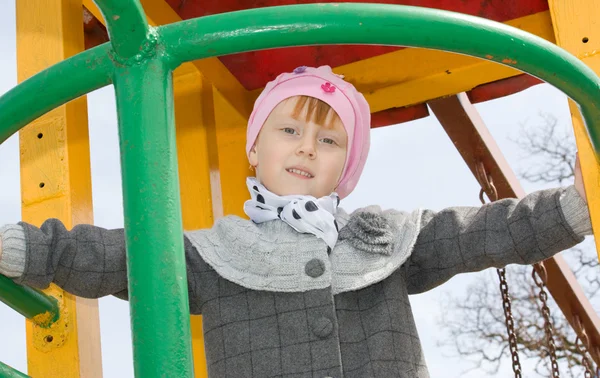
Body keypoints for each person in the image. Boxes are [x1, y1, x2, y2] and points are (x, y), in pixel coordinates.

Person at [0, 66, 592, 378]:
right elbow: (118, 256)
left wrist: (573, 209)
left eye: (330, 139)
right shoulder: (218, 253)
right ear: (254, 148)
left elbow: (480, 233)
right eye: (290, 130)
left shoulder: (381, 239)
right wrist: (24, 248)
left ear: (346, 167)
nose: (308, 147)